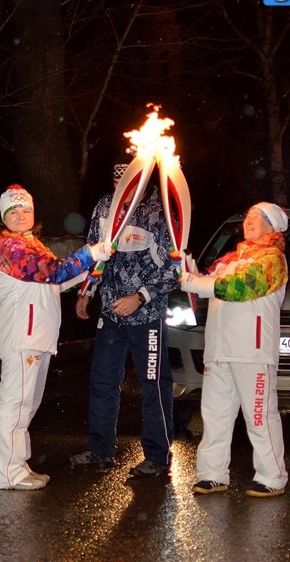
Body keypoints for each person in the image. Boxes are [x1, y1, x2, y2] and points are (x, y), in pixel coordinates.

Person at [0, 184, 111, 490]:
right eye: (13, 211)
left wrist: (93, 263)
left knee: (26, 406)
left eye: (26, 209)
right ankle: (7, 472)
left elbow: (59, 279)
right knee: (15, 404)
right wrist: (88, 253)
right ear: (4, 215)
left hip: (38, 334)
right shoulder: (10, 248)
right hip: (23, 334)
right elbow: (53, 272)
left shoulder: (32, 244)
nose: (20, 215)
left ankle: (17, 465)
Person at [68, 158, 180, 479]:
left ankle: (158, 456)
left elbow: (175, 270)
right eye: (117, 183)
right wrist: (88, 290)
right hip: (110, 315)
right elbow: (94, 252)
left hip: (146, 316)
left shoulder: (159, 212)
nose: (121, 190)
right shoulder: (105, 207)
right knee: (102, 382)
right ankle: (100, 450)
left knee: (154, 385)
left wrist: (139, 297)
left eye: (128, 183)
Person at [180, 202, 289, 497]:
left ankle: (272, 476)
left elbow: (238, 288)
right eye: (248, 217)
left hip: (251, 350)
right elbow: (207, 278)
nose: (249, 221)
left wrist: (196, 283)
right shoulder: (230, 258)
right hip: (218, 348)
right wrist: (187, 267)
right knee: (214, 415)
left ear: (273, 225)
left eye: (257, 218)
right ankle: (212, 473)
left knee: (259, 417)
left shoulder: (272, 259)